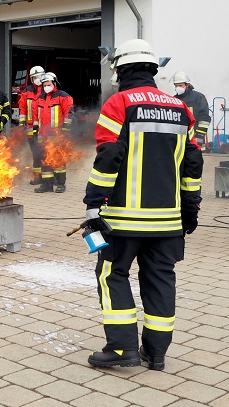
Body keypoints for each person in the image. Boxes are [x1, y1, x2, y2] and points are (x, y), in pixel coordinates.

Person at [83, 39, 203, 371]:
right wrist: (191, 206)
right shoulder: (181, 109)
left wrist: (94, 205)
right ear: (152, 69)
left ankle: (123, 350)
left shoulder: (118, 104)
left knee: (112, 274)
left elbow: (109, 157)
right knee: (161, 279)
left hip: (124, 220)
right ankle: (157, 353)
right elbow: (192, 162)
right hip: (167, 221)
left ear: (120, 69)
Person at [31, 72, 73, 193]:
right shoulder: (40, 98)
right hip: (43, 135)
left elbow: (69, 113)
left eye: (48, 84)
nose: (46, 87)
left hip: (57, 135)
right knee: (44, 160)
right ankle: (47, 185)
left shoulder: (63, 96)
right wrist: (35, 130)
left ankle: (60, 184)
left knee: (58, 160)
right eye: (44, 85)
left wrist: (65, 130)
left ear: (54, 84)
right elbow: (35, 117)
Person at [18, 65, 45, 185]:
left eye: (38, 76)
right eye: (34, 77)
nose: (36, 79)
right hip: (30, 128)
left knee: (47, 153)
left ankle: (49, 178)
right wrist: (21, 122)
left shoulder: (47, 89)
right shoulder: (27, 90)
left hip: (44, 129)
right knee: (36, 153)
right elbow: (22, 107)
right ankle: (38, 177)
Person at [171, 71, 211, 150]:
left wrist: (200, 134)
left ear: (187, 85)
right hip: (179, 137)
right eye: (176, 86)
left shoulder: (198, 97)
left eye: (180, 85)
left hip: (195, 136)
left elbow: (204, 117)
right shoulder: (174, 99)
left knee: (195, 160)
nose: (178, 87)